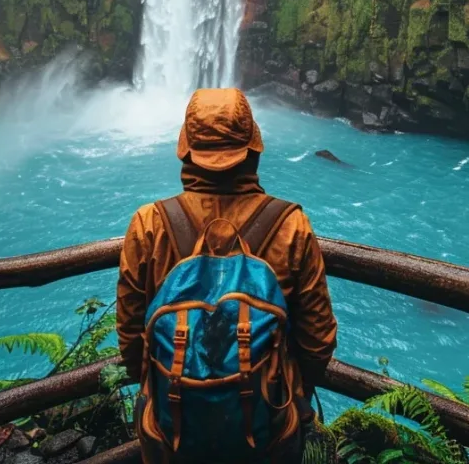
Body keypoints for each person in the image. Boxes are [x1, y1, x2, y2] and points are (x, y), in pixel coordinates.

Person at [117, 87, 338, 464]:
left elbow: (130, 334)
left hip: (174, 427)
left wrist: (168, 388)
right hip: (265, 428)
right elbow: (318, 339)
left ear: (185, 149)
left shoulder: (149, 224)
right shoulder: (291, 226)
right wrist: (283, 388)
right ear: (253, 148)